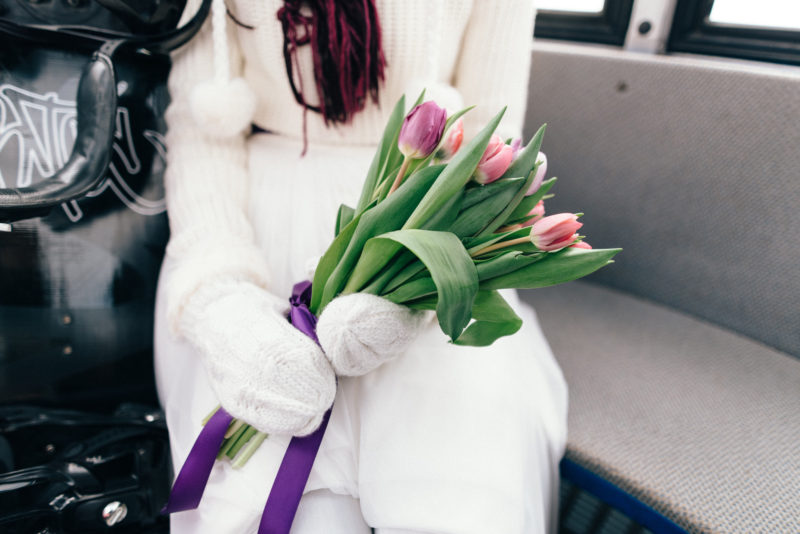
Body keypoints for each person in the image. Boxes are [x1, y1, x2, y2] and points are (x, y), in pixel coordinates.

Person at [154, 0, 568, 532]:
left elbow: (491, 138)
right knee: (281, 492)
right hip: (248, 219)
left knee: (459, 492)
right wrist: (221, 301)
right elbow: (201, 134)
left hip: (423, 220)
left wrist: (415, 288)